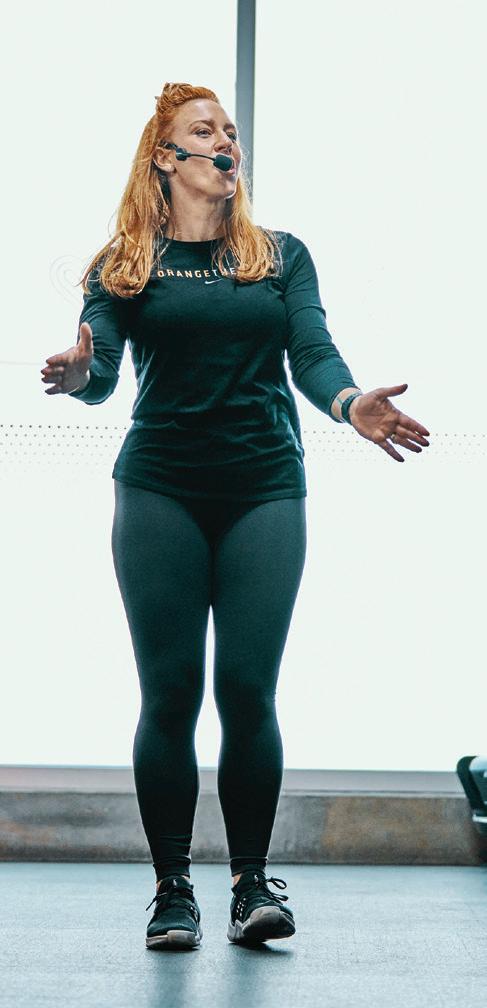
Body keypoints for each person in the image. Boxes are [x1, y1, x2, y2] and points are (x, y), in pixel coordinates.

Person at [41, 82, 430, 951]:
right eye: (203, 129)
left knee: (248, 691)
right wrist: (78, 375)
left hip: (263, 489)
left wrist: (349, 404)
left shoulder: (278, 254)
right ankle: (172, 890)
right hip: (160, 491)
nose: (225, 141)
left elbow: (312, 352)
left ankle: (252, 884)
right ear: (166, 158)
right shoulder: (124, 261)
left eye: (230, 129)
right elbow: (100, 369)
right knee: (170, 693)